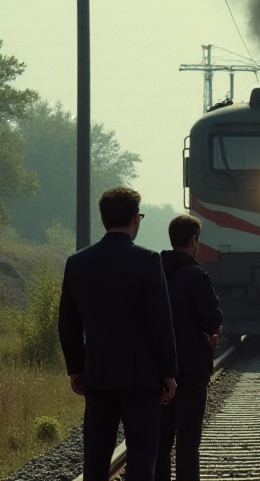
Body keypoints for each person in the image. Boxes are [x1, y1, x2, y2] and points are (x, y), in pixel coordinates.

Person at [58, 187, 178, 481]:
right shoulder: (148, 261)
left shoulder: (77, 262)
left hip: (97, 374)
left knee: (96, 458)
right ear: (136, 219)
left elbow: (68, 323)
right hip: (141, 376)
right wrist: (169, 373)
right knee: (141, 460)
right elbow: (160, 321)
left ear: (103, 219)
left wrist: (76, 368)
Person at [155, 215, 224, 481]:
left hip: (160, 370)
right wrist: (212, 331)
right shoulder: (197, 275)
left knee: (161, 442)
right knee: (187, 441)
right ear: (194, 240)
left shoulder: (155, 272)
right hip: (192, 370)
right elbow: (212, 318)